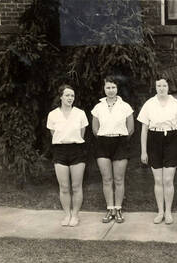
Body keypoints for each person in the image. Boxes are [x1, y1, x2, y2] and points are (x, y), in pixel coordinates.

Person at [138, 75, 177, 224]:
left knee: (168, 179)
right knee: (158, 180)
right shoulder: (149, 104)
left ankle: (168, 212)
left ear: (168, 87)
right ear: (155, 87)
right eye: (159, 86)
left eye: (164, 86)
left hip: (171, 140)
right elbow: (144, 130)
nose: (162, 88)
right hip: (154, 140)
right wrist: (143, 151)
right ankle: (160, 211)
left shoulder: (176, 104)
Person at [91, 76, 134, 223]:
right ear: (104, 88)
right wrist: (106, 137)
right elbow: (95, 129)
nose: (111, 90)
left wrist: (120, 138)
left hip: (120, 142)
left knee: (119, 178)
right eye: (108, 87)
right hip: (103, 143)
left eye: (113, 87)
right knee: (107, 179)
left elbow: (131, 128)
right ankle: (110, 209)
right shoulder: (98, 107)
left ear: (117, 88)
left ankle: (118, 208)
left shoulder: (125, 106)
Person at [47, 84, 88, 227]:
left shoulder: (80, 113)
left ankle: (75, 215)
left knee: (76, 186)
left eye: (72, 96)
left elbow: (82, 134)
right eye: (67, 95)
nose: (70, 98)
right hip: (60, 151)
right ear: (61, 97)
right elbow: (54, 134)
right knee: (64, 186)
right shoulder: (52, 115)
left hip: (77, 150)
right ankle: (67, 215)